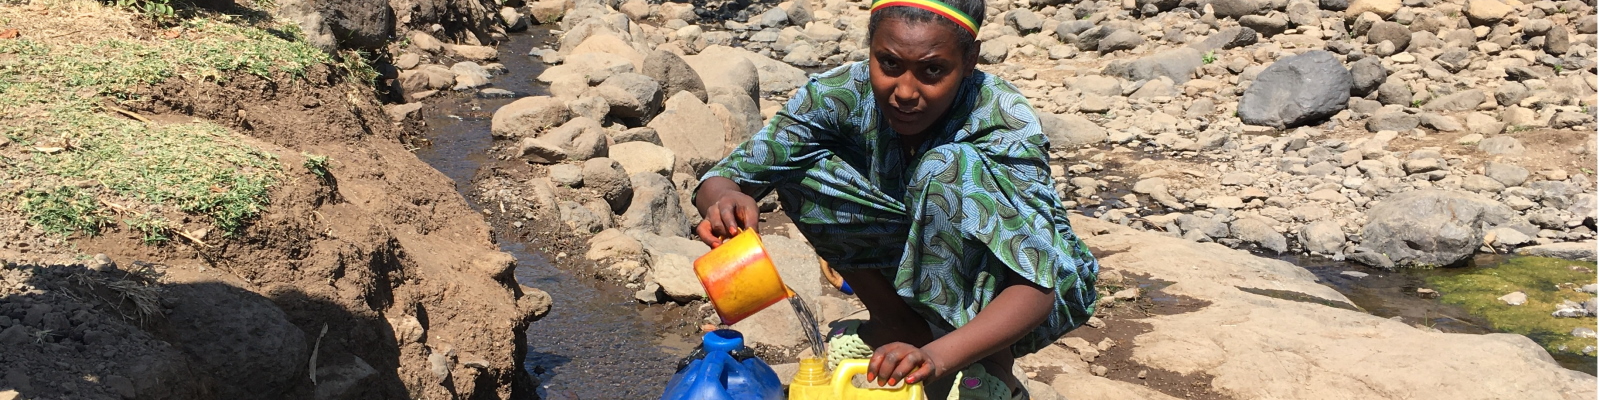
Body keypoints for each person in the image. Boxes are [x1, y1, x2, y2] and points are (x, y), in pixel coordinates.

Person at [692, 0, 1099, 397]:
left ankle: (992, 365)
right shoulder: (840, 94)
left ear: (971, 59)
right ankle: (896, 324)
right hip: (911, 244)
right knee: (801, 168)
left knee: (945, 169)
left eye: (932, 70)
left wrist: (936, 359)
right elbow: (727, 175)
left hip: (1028, 289)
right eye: (888, 64)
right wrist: (727, 201)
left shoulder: (1001, 116)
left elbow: (1037, 284)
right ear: (870, 47)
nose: (904, 91)